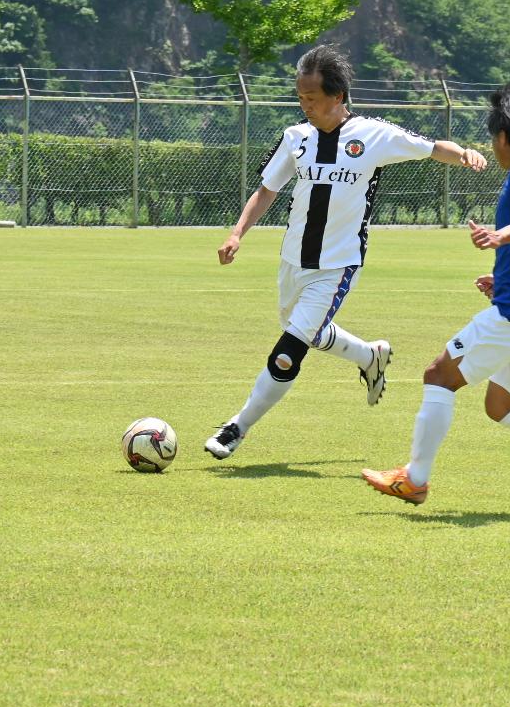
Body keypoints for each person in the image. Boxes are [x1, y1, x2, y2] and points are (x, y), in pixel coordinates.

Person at [204, 44, 488, 461]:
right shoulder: (295, 138)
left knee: (288, 352)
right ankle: (369, 355)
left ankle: (236, 427)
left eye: (312, 99)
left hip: (337, 265)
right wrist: (237, 233)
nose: (305, 106)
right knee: (304, 330)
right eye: (300, 98)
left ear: (338, 97)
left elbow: (430, 147)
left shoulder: (373, 135)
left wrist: (463, 154)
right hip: (292, 260)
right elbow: (267, 189)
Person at [361, 85, 510, 515]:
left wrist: (499, 236)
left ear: (504, 138)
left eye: (494, 137)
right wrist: (504, 273)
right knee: (502, 405)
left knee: (439, 376)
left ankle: (414, 480)